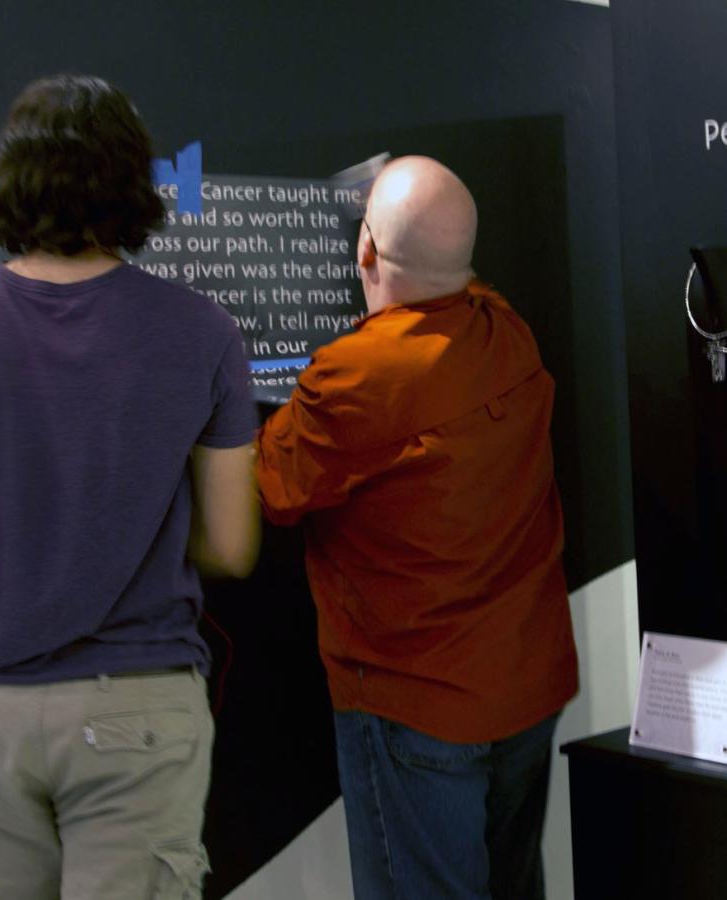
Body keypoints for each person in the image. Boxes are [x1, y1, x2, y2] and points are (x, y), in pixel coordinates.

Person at [0, 74, 259, 900]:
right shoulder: (202, 332)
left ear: (12, 181)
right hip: (139, 707)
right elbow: (232, 546)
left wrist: (6, 620)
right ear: (135, 183)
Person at [255, 156, 578, 900]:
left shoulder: (354, 377)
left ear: (363, 250)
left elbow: (271, 487)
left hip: (416, 709)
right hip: (526, 690)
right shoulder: (509, 333)